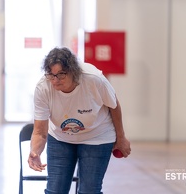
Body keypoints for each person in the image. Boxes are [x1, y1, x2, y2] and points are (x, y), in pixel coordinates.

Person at [28, 47, 131, 194]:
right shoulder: (43, 88)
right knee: (55, 190)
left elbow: (114, 106)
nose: (55, 81)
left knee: (89, 190)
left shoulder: (93, 79)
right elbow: (39, 131)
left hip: (97, 137)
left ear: (73, 72)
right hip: (60, 138)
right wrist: (35, 152)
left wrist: (121, 138)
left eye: (61, 75)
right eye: (51, 75)